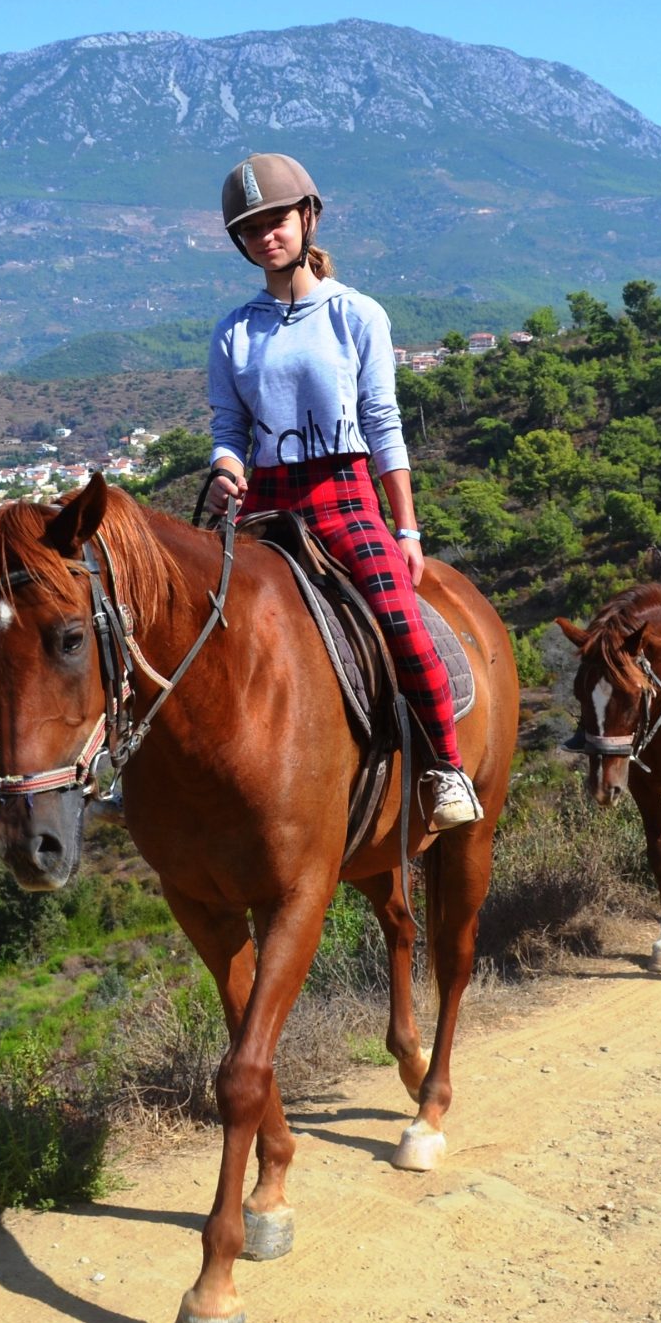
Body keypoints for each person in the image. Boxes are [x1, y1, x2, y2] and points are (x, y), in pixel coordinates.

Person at [200, 153, 481, 831]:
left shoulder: (358, 315)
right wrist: (223, 466)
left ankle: (447, 768)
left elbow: (384, 424)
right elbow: (228, 425)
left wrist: (407, 529)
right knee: (190, 618)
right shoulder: (234, 330)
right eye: (251, 228)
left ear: (307, 218)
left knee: (399, 619)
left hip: (344, 493)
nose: (266, 235)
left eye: (276, 220)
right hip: (264, 499)